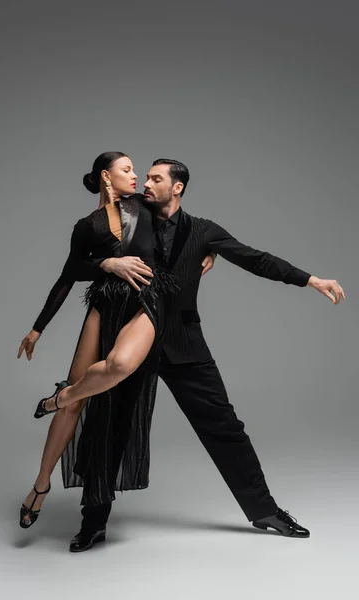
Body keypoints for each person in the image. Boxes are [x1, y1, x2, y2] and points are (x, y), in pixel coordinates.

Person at [68, 159, 345, 552]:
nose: (146, 182)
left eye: (156, 178)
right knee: (109, 428)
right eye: (144, 176)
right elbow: (87, 250)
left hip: (182, 342)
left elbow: (255, 258)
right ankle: (92, 524)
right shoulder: (130, 214)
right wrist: (106, 262)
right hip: (130, 340)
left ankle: (265, 511)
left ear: (177, 188)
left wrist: (310, 279)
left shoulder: (203, 231)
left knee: (226, 428)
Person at [18, 151, 190, 528]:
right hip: (105, 304)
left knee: (86, 387)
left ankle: (55, 398)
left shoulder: (143, 205)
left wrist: (210, 252)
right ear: (105, 177)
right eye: (127, 170)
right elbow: (68, 275)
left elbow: (183, 223)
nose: (136, 176)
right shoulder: (87, 225)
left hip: (143, 302)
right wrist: (38, 328)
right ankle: (41, 485)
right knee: (74, 404)